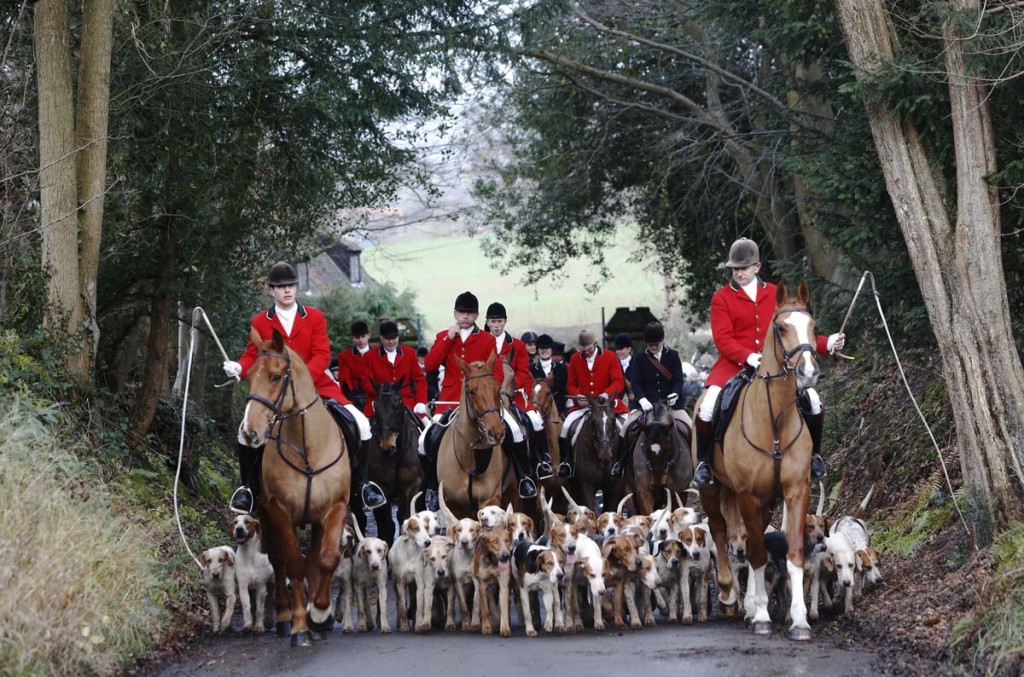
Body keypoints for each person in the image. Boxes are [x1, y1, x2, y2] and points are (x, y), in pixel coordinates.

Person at [222, 262, 386, 513]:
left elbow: (322, 353)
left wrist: (302, 380)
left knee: (362, 424)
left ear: (296, 287)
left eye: (291, 285)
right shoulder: (260, 321)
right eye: (281, 287)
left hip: (317, 385)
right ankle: (249, 489)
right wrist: (239, 368)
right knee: (245, 431)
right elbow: (252, 355)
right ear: (271, 290)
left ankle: (361, 486)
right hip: (275, 391)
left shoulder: (315, 317)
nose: (287, 291)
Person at [692, 238, 845, 487]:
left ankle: (815, 456)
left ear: (757, 266)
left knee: (814, 402)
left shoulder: (776, 294)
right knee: (708, 407)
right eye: (735, 268)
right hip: (733, 366)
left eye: (744, 267)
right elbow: (722, 339)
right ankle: (705, 463)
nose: (738, 273)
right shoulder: (722, 299)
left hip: (777, 368)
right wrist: (748, 356)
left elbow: (795, 335)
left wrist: (827, 343)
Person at [419, 291, 504, 508]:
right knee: (424, 440)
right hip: (450, 401)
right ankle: (431, 487)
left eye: (470, 313)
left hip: (482, 403)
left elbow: (498, 373)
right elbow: (430, 365)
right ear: (455, 314)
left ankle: (522, 477)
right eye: (461, 313)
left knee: (513, 431)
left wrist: (491, 396)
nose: (465, 317)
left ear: (476, 316)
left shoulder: (486, 339)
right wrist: (449, 338)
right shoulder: (443, 337)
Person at [613, 321, 688, 477]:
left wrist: (675, 393)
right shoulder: (640, 358)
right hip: (645, 406)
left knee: (690, 425)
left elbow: (679, 380)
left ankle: (697, 463)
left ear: (662, 341)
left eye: (656, 344)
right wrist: (642, 399)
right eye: (650, 344)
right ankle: (619, 463)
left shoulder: (672, 355)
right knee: (625, 427)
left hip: (670, 405)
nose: (653, 347)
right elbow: (636, 382)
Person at [487, 302, 547, 489]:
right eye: (493, 321)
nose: (496, 325)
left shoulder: (518, 345)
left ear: (505, 322)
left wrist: (509, 388)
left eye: (499, 321)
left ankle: (537, 465)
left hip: (512, 394)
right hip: (487, 397)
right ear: (487, 322)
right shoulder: (481, 342)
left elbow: (523, 373)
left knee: (535, 420)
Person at [557, 329, 629, 478]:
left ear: (595, 344)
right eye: (583, 350)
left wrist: (606, 393)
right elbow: (571, 384)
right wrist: (578, 396)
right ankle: (566, 464)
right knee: (565, 428)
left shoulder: (610, 357)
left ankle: (625, 463)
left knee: (627, 428)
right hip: (584, 405)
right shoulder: (576, 359)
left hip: (608, 405)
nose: (586, 353)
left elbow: (618, 381)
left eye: (589, 349)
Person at [362, 320, 430, 426]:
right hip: (379, 403)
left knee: (429, 429)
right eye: (387, 339)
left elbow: (420, 380)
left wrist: (421, 401)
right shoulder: (369, 356)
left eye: (394, 338)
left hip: (407, 403)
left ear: (398, 337)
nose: (391, 341)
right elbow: (366, 383)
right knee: (363, 430)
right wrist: (383, 396)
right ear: (381, 338)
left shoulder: (410, 353)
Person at [530, 333, 569, 419]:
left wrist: (556, 407)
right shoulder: (531, 369)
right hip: (538, 409)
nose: (544, 351)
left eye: (547, 348)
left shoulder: (562, 368)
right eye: (541, 348)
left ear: (552, 350)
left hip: (559, 410)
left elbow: (564, 391)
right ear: (537, 350)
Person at [337, 320, 372, 410]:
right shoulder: (344, 356)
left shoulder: (379, 353)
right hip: (355, 398)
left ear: (369, 336)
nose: (360, 340)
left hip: (376, 396)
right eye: (357, 337)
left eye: (363, 336)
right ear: (352, 338)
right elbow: (344, 381)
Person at [614, 332, 635, 406]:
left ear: (629, 349)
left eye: (621, 349)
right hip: (617, 403)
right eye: (617, 349)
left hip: (635, 402)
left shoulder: (636, 363)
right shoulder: (613, 365)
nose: (618, 352)